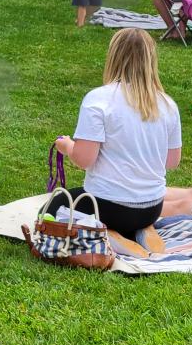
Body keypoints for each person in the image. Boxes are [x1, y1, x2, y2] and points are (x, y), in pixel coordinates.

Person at [50, 28, 182, 239]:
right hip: (152, 208)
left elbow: (84, 159)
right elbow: (172, 161)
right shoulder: (167, 105)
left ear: (113, 57)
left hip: (108, 207)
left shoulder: (99, 99)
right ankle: (137, 232)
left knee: (52, 209)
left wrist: (67, 146)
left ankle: (111, 236)